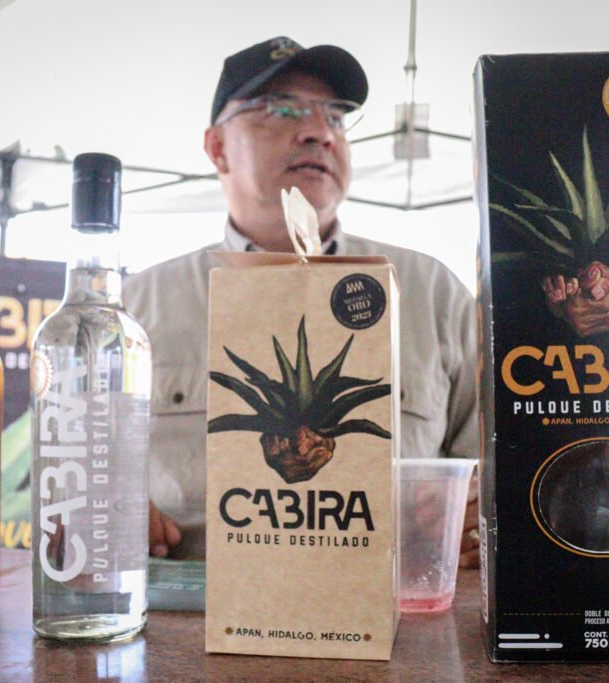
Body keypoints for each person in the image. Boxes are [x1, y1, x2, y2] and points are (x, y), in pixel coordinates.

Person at [123, 36, 480, 566]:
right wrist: (107, 506)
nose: (319, 132)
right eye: (281, 109)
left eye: (335, 116)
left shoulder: (432, 294)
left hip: (389, 608)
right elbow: (76, 482)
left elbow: (493, 471)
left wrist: (478, 508)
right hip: (191, 607)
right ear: (217, 147)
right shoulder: (133, 312)